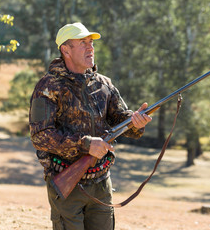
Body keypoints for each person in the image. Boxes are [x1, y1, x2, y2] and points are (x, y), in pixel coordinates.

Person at [29, 22, 152, 230]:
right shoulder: (48, 87)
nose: (90, 47)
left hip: (101, 182)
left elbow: (120, 119)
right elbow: (40, 135)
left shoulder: (104, 84)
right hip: (67, 183)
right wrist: (86, 144)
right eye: (83, 43)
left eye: (91, 42)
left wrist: (136, 122)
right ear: (66, 50)